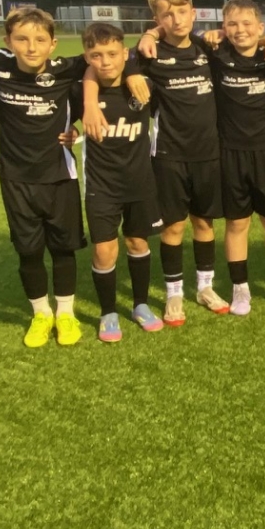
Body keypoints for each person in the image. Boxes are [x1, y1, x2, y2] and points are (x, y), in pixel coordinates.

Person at [0, 8, 149, 348]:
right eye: (22, 39)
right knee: (29, 251)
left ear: (53, 44)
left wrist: (115, 84)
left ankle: (65, 313)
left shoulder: (64, 68)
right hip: (16, 178)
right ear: (7, 41)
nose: (31, 47)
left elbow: (104, 60)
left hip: (60, 175)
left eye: (40, 40)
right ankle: (41, 313)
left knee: (63, 248)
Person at [122, 0, 226, 322]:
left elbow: (246, 40)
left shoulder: (206, 48)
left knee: (204, 223)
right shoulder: (149, 53)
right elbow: (119, 60)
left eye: (182, 11)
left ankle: (205, 287)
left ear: (193, 13)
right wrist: (134, 68)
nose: (177, 19)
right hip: (169, 155)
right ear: (157, 19)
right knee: (173, 227)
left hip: (208, 153)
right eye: (167, 14)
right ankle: (174, 293)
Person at [79, 22, 165, 342]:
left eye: (112, 54)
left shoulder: (143, 85)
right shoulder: (81, 91)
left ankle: (140, 305)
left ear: (124, 54)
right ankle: (108, 312)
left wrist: (133, 71)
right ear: (87, 57)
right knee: (104, 251)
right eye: (96, 55)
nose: (105, 62)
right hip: (101, 185)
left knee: (137, 243)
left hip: (140, 182)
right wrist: (78, 119)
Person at [208, 0, 265, 315]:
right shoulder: (217, 55)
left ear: (260, 27)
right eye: (232, 24)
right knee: (237, 223)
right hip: (230, 152)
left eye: (247, 24)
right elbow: (178, 39)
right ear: (223, 27)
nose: (239, 29)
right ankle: (240, 288)